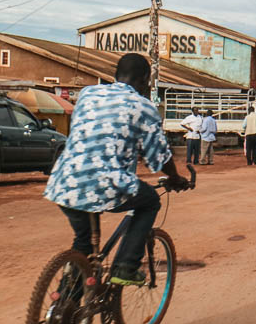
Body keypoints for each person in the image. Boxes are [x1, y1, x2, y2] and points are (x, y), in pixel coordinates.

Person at [44, 54, 190, 286]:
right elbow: (160, 155)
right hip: (106, 183)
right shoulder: (144, 107)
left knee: (84, 244)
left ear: (115, 75)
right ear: (145, 80)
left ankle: (64, 309)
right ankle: (125, 266)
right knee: (150, 201)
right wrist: (175, 178)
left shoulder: (87, 94)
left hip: (65, 180)